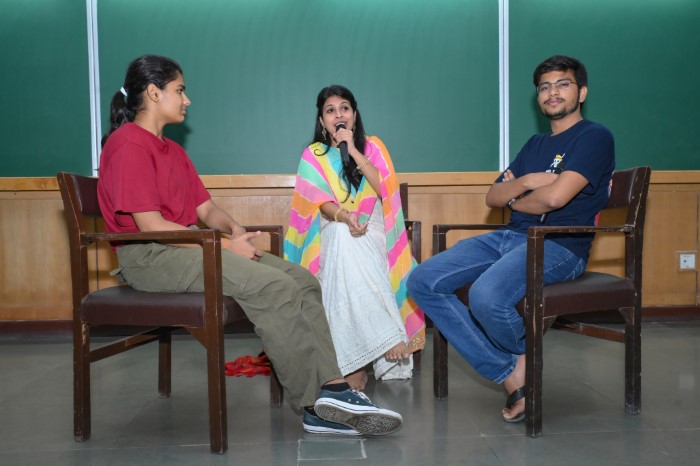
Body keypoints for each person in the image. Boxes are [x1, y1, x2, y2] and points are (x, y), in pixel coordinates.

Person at [96, 55, 403, 437]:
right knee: (274, 287)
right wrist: (224, 247)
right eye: (180, 90)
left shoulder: (172, 150)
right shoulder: (128, 144)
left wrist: (235, 232)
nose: (187, 100)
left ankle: (334, 387)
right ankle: (315, 406)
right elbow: (151, 226)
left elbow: (206, 209)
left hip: (188, 243)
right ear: (154, 93)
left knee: (304, 281)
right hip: (150, 255)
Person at [407, 55, 615, 423]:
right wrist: (530, 182)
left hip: (559, 244)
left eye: (563, 84)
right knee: (423, 280)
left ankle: (516, 370)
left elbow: (556, 199)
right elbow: (493, 197)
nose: (552, 92)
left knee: (487, 296)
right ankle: (512, 369)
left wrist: (517, 197)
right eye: (545, 87)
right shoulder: (534, 144)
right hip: (509, 237)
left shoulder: (595, 137)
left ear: (581, 92)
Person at [284, 85, 426, 391]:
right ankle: (385, 336)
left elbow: (386, 190)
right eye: (330, 110)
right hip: (331, 226)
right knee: (342, 238)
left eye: (344, 108)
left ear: (354, 115)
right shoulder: (313, 155)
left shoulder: (373, 147)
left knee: (351, 245)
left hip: (375, 228)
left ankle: (352, 365)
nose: (338, 115)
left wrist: (354, 150)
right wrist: (345, 217)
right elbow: (319, 203)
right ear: (322, 121)